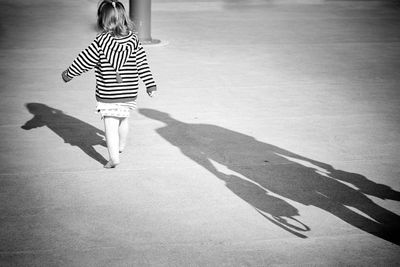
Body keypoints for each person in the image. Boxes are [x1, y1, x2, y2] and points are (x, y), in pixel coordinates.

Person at [61, 0, 157, 169]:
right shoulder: (134, 41)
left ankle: (113, 158)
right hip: (129, 91)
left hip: (108, 93)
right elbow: (142, 64)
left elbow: (83, 61)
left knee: (110, 125)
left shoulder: (100, 43)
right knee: (123, 119)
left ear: (102, 20)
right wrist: (150, 85)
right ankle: (121, 147)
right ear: (124, 18)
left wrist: (68, 74)